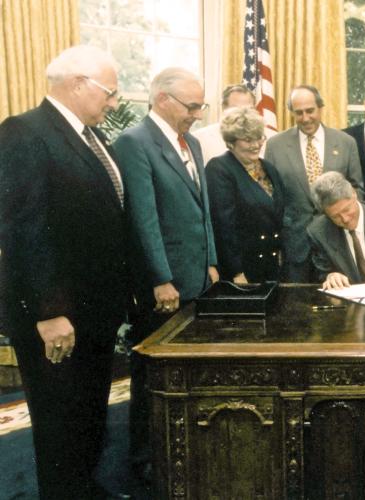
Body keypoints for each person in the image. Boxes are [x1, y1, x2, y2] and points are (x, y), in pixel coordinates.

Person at [0, 45, 132, 500]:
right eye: (109, 93)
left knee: (88, 416)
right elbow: (25, 230)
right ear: (78, 84)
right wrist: (50, 312)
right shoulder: (23, 133)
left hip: (94, 314)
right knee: (59, 425)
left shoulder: (93, 139)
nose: (114, 103)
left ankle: (85, 490)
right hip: (58, 320)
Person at [115, 67, 219, 482]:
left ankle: (184, 449)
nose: (197, 113)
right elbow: (144, 218)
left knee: (188, 373)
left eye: (200, 105)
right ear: (162, 100)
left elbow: (201, 208)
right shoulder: (133, 143)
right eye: (191, 106)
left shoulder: (191, 141)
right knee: (152, 378)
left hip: (197, 279)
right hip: (165, 285)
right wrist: (160, 277)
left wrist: (211, 259)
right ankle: (145, 461)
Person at [265, 85, 364, 282]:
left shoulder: (346, 142)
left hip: (335, 241)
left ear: (320, 108)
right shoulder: (275, 145)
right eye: (298, 112)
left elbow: (357, 189)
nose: (305, 118)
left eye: (310, 111)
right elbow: (271, 195)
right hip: (295, 244)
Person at [206, 107, 287, 283]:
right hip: (241, 271)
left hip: (271, 267)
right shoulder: (219, 169)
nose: (256, 145)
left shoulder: (269, 168)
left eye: (259, 138)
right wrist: (236, 272)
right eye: (248, 140)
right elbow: (223, 227)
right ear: (231, 142)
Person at [192, 83, 277, 161]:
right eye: (237, 109)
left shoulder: (272, 138)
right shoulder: (199, 139)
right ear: (223, 108)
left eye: (248, 109)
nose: (243, 114)